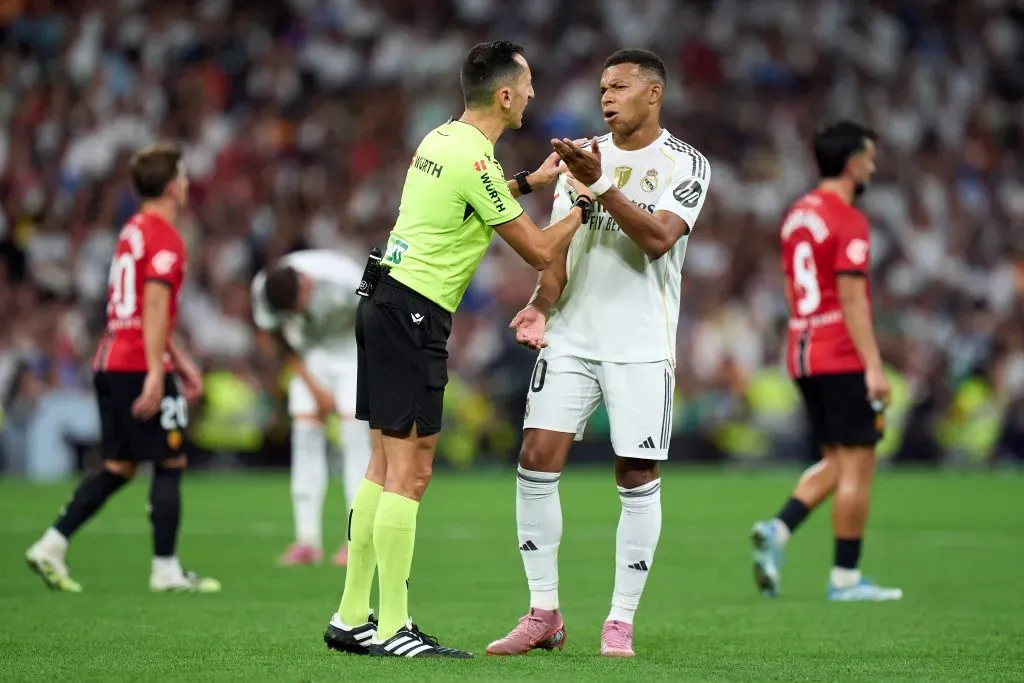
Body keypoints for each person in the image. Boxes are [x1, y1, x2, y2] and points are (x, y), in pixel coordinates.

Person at [322, 40, 594, 659]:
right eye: (526, 85)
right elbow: (540, 250)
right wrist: (587, 199)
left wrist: (529, 180)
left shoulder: (443, 140)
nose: (531, 94)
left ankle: (351, 615)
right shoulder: (475, 160)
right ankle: (392, 628)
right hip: (414, 314)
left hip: (386, 301)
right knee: (410, 472)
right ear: (504, 94)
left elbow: (467, 208)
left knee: (381, 468)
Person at [487, 49, 711, 658]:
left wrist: (601, 183)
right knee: (535, 460)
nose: (606, 96)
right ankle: (543, 613)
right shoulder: (584, 155)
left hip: (640, 345)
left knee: (635, 474)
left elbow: (660, 239)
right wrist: (540, 302)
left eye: (620, 86)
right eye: (602, 87)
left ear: (653, 94)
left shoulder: (683, 164)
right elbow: (561, 247)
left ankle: (620, 620)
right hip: (572, 336)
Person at [24, 144, 220, 594]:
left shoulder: (132, 230)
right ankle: (166, 571)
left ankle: (51, 544)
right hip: (136, 362)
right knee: (170, 458)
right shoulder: (167, 237)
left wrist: (180, 360)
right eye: (185, 177)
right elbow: (153, 304)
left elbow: (141, 308)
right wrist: (158, 369)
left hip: (110, 357)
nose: (188, 184)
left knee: (119, 464)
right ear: (171, 186)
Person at [750, 121, 902, 602]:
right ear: (854, 162)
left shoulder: (796, 215)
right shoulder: (848, 218)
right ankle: (846, 579)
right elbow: (854, 300)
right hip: (839, 352)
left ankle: (779, 529)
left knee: (836, 460)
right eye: (870, 157)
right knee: (858, 465)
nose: (873, 166)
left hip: (801, 349)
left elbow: (793, 284)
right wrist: (874, 366)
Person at [251, 249, 372, 567]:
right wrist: (313, 386)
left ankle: (356, 541)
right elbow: (274, 336)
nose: (298, 311)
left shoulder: (347, 280)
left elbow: (377, 320)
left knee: (354, 437)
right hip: (308, 353)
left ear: (306, 284)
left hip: (352, 349)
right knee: (305, 436)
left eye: (299, 305)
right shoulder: (265, 288)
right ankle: (307, 542)